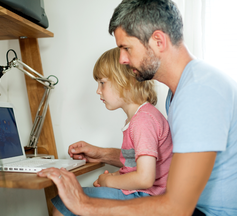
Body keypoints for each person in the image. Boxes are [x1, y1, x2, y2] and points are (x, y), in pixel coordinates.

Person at [37, 0, 237, 215]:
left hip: (205, 212)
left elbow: (177, 208)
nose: (122, 59)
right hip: (193, 206)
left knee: (67, 207)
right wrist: (104, 155)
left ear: (158, 41)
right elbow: (163, 160)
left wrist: (84, 205)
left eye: (126, 48)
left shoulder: (199, 92)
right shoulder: (180, 91)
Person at [50, 47, 173, 216]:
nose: (98, 90)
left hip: (147, 197)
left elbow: (145, 179)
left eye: (102, 82)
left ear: (125, 81)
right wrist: (117, 176)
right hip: (143, 193)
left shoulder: (143, 121)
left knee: (66, 201)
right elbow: (135, 166)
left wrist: (109, 181)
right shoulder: (138, 118)